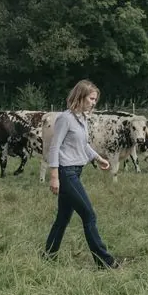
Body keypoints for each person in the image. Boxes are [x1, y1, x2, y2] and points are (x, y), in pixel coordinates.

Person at [43, 79, 120, 269]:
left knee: (62, 219)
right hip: (66, 172)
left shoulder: (82, 118)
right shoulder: (65, 118)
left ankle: (48, 257)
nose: (94, 102)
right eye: (92, 98)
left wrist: (98, 158)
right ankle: (105, 262)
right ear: (81, 96)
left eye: (95, 99)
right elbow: (55, 147)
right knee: (89, 216)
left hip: (76, 171)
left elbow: (82, 145)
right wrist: (54, 176)